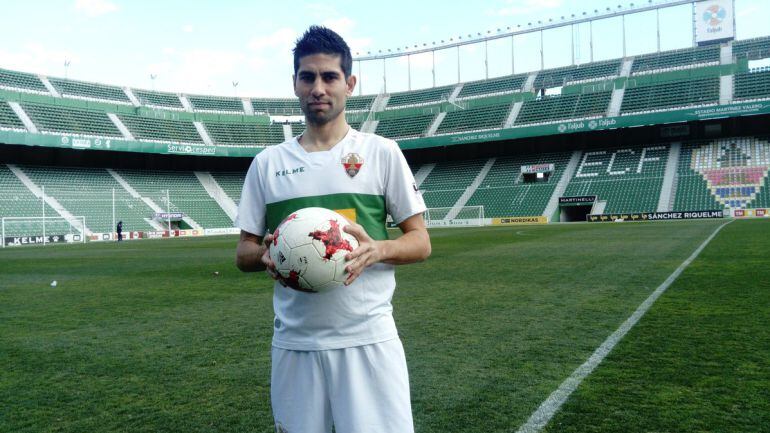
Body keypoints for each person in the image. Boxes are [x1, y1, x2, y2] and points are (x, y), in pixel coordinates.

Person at [235, 25, 431, 433]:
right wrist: (265, 255)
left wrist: (378, 250)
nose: (318, 88)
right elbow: (244, 252)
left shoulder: (381, 153)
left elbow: (420, 242)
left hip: (368, 340)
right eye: (307, 77)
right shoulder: (267, 164)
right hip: (296, 345)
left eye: (329, 77)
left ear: (349, 83)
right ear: (294, 84)